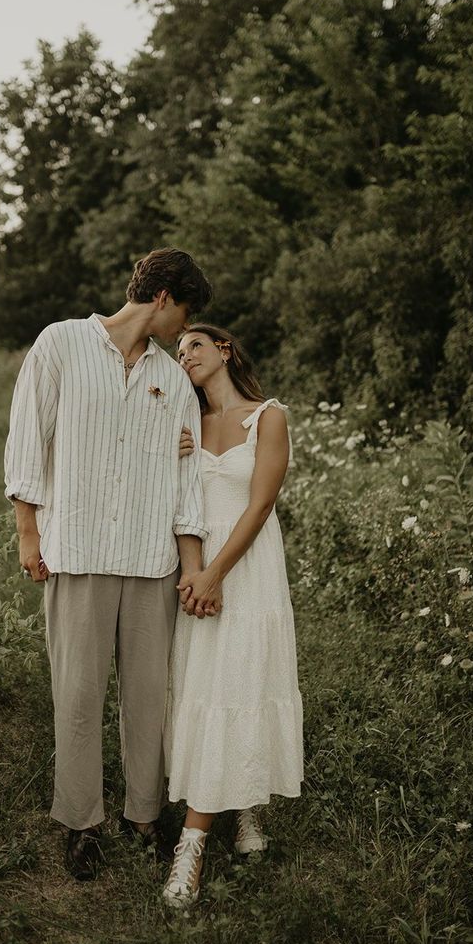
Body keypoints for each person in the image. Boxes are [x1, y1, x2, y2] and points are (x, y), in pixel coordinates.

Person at [4, 248, 213, 881]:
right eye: (185, 312)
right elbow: (27, 437)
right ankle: (80, 822)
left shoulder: (172, 379)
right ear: (163, 298)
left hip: (150, 559)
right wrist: (27, 532)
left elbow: (186, 481)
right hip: (79, 549)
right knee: (78, 694)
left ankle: (142, 815)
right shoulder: (61, 344)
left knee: (149, 699)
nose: (183, 329)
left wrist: (189, 561)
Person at [161, 323, 305, 908]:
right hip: (199, 567)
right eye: (178, 351)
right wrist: (194, 575)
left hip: (248, 566)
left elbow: (262, 501)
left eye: (194, 344)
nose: (185, 356)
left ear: (224, 350)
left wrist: (217, 573)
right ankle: (225, 813)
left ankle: (197, 839)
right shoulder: (185, 425)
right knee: (209, 685)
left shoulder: (267, 416)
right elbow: (181, 502)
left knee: (245, 679)